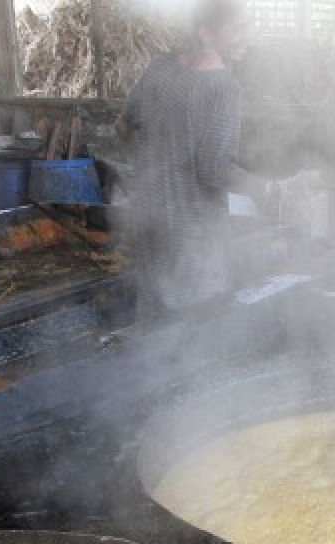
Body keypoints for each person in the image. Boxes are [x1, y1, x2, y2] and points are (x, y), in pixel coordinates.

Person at [116, 0, 263, 319]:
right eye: (238, 28)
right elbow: (214, 169)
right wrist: (268, 190)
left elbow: (124, 126)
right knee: (192, 334)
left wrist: (154, 164)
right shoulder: (223, 87)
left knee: (153, 327)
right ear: (206, 33)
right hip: (193, 238)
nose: (247, 36)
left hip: (148, 224)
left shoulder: (159, 68)